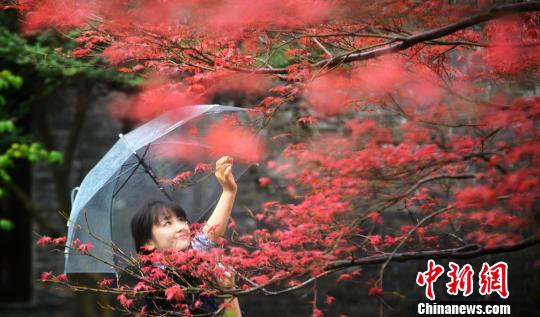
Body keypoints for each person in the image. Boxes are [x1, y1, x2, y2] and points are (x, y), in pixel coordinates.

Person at [126, 155, 242, 316]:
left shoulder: (195, 268)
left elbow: (209, 235)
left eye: (181, 219)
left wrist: (228, 191)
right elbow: (207, 238)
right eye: (167, 223)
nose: (181, 227)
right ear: (149, 243)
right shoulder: (157, 288)